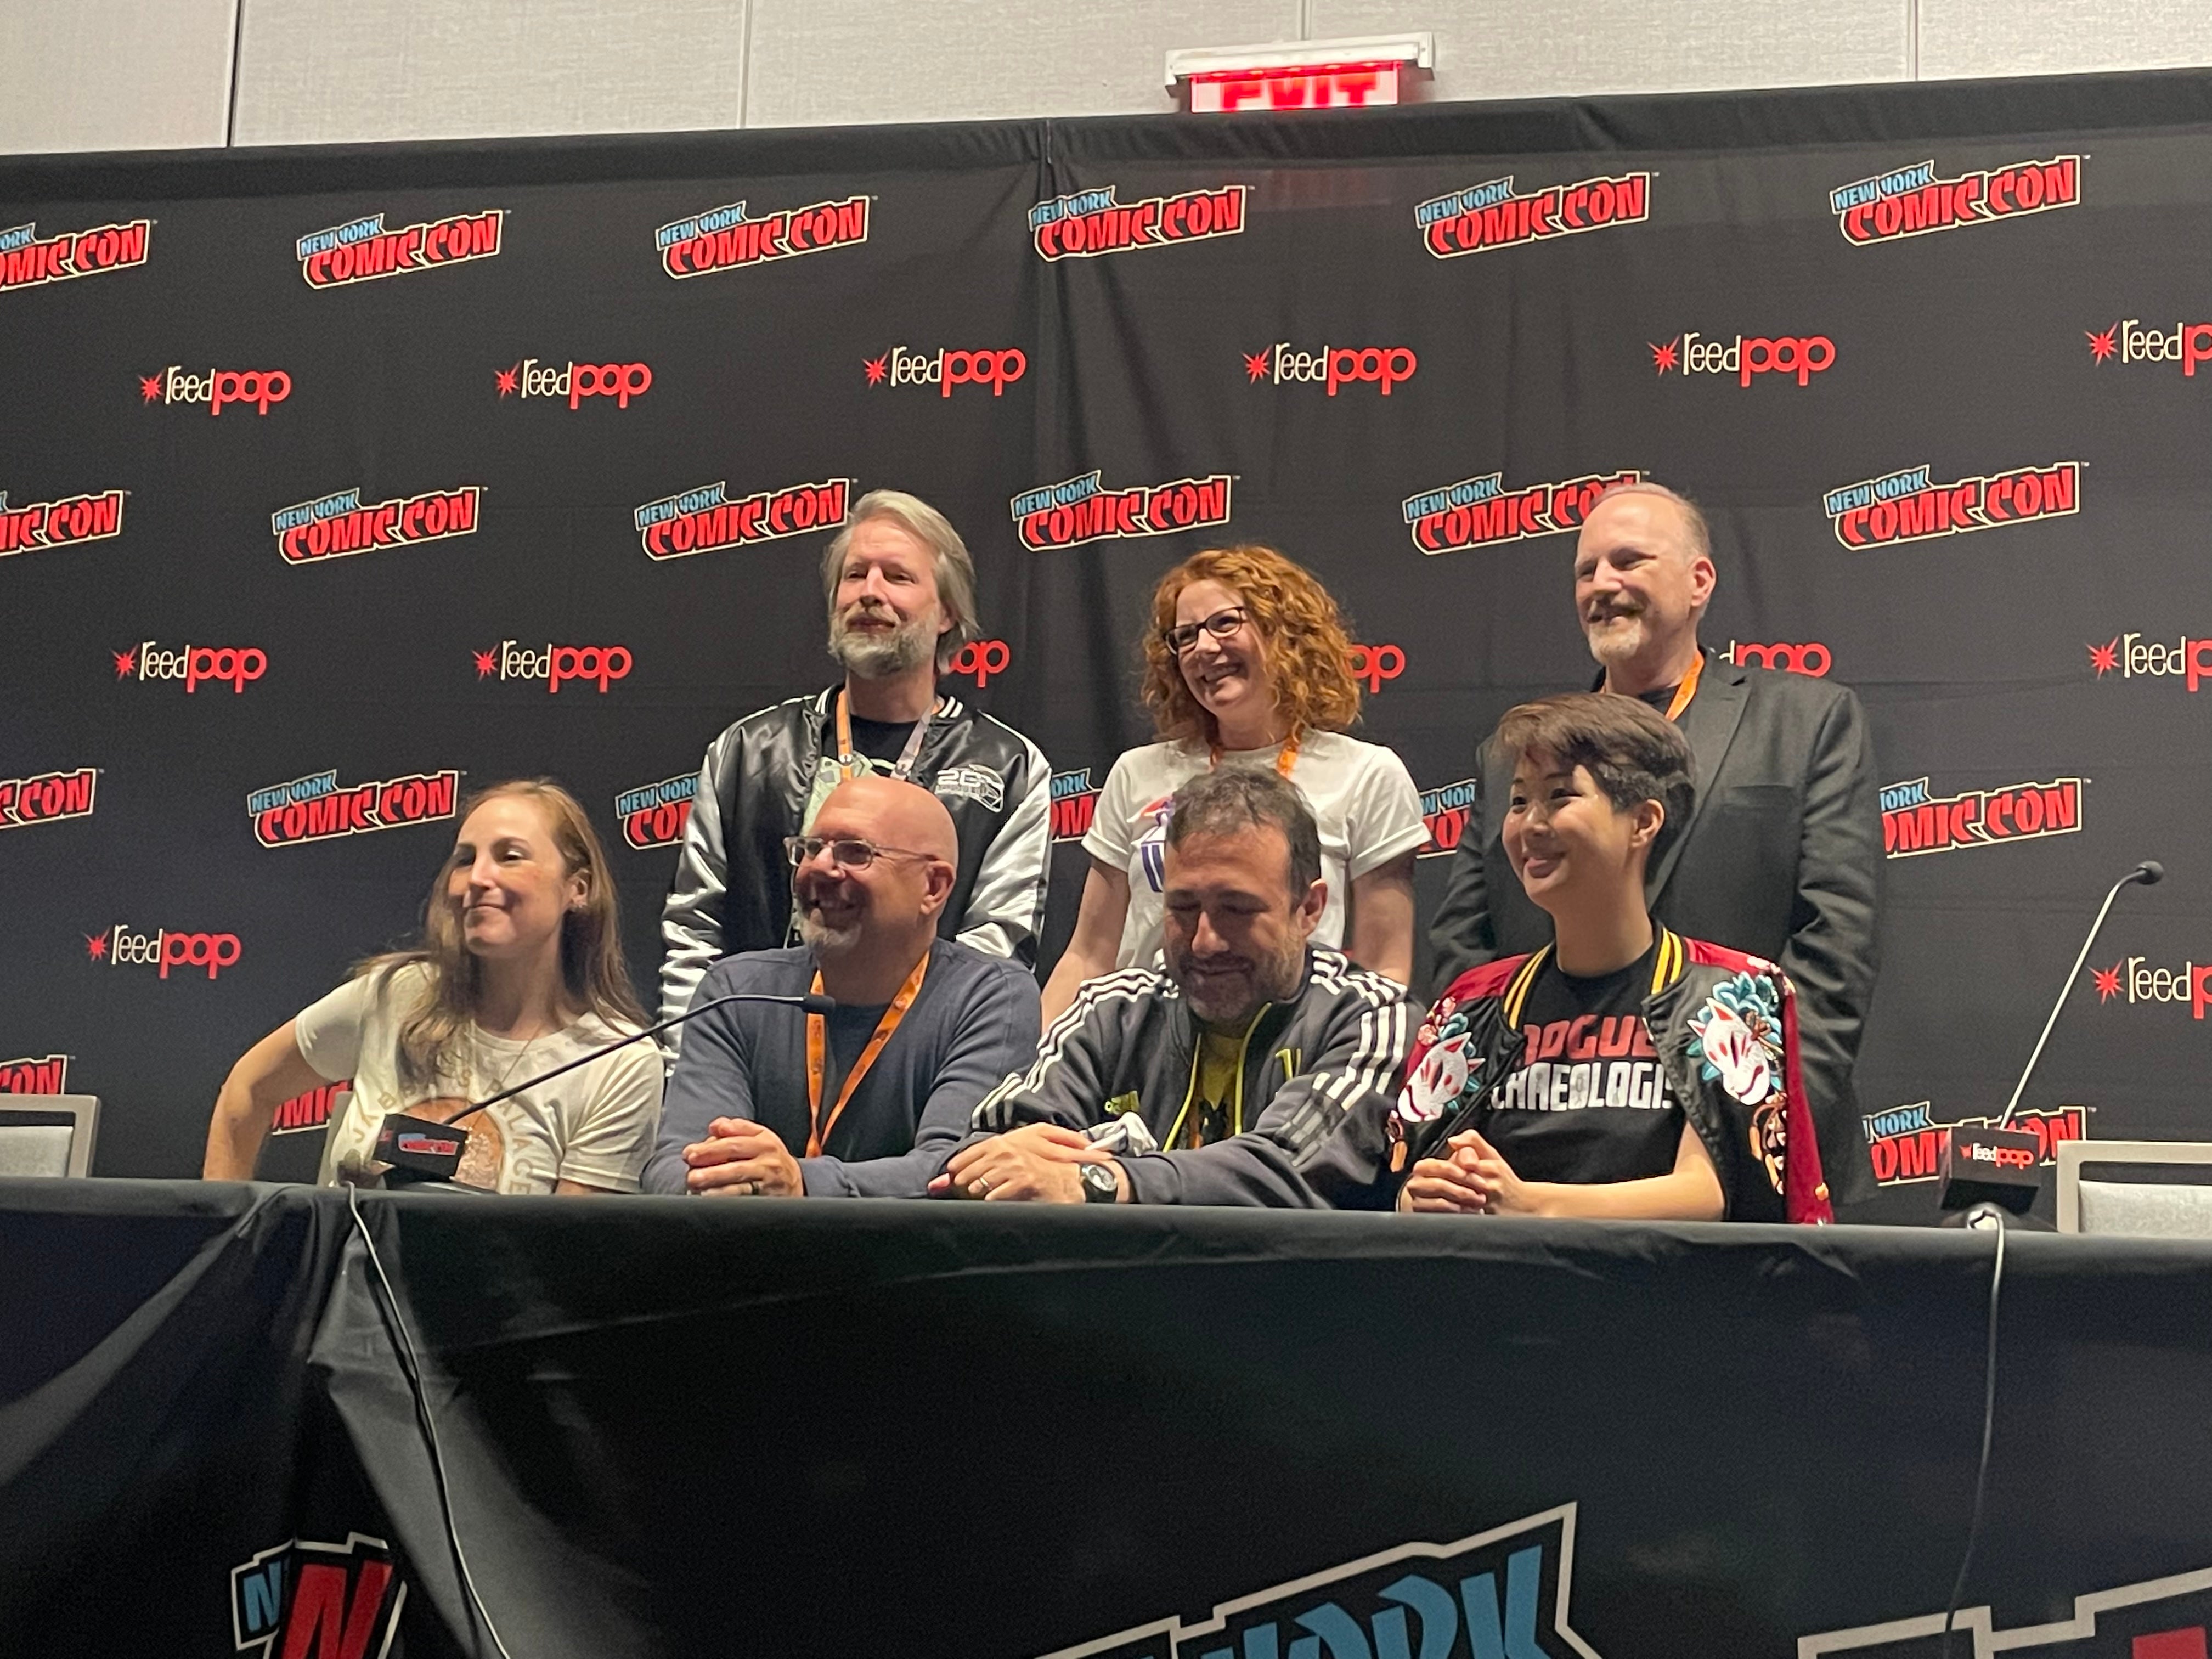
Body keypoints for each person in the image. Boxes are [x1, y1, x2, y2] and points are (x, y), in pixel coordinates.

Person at [1428, 481, 1880, 1201]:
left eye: (1629, 561)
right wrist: (1506, 1132)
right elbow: (1467, 945)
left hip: (1747, 1174)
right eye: (1586, 570)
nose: (1603, 585)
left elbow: (1835, 949)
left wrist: (1749, 1126)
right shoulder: (1511, 756)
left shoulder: (1807, 723)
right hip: (1539, 1163)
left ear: (1700, 581)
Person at [1307, 694, 1830, 1222]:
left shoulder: (1732, 995)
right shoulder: (1469, 1006)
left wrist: (1530, 1203)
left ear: (1644, 822)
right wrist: (1417, 1196)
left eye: (1560, 796)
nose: (1530, 825)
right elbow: (1403, 1175)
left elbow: (1715, 1191)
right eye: (1517, 802)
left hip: (1667, 1295)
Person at [661, 489, 1051, 1047]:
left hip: (920, 1076)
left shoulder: (1008, 767)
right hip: (751, 1063)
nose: (870, 593)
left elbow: (997, 950)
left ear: (947, 613)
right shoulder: (747, 752)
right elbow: (695, 936)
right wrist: (692, 1071)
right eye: (855, 575)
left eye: (897, 577)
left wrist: (929, 1069)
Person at [935, 766, 1417, 1206]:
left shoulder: (1370, 1017)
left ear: (1309, 909)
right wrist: (997, 1159)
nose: (1205, 942)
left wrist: (1102, 1179)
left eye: (1238, 909)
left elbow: (1289, 1168)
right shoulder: (1115, 1009)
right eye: (1183, 908)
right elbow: (989, 1145)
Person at [202, 780, 661, 1194]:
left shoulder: (618, 1064)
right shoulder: (395, 995)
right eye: (466, 859)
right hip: (345, 1282)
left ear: (577, 889)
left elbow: (569, 1260)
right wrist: (225, 1243)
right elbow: (249, 1088)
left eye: (510, 856)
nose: (478, 879)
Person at [1041, 545, 1426, 1026]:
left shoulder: (1367, 774)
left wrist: (1352, 1065)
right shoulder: (1135, 774)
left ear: (1282, 631)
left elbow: (1384, 967)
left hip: (1292, 1047)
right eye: (1185, 636)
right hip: (1146, 1049)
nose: (1203, 647)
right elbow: (1089, 955)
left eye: (1225, 623)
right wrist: (1027, 1066)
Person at [645, 776, 1041, 1197]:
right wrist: (714, 1177)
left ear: (934, 887)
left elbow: (956, 1168)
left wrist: (801, 1183)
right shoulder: (738, 990)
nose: (818, 867)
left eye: (856, 853)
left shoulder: (989, 996)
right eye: (811, 848)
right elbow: (675, 1160)